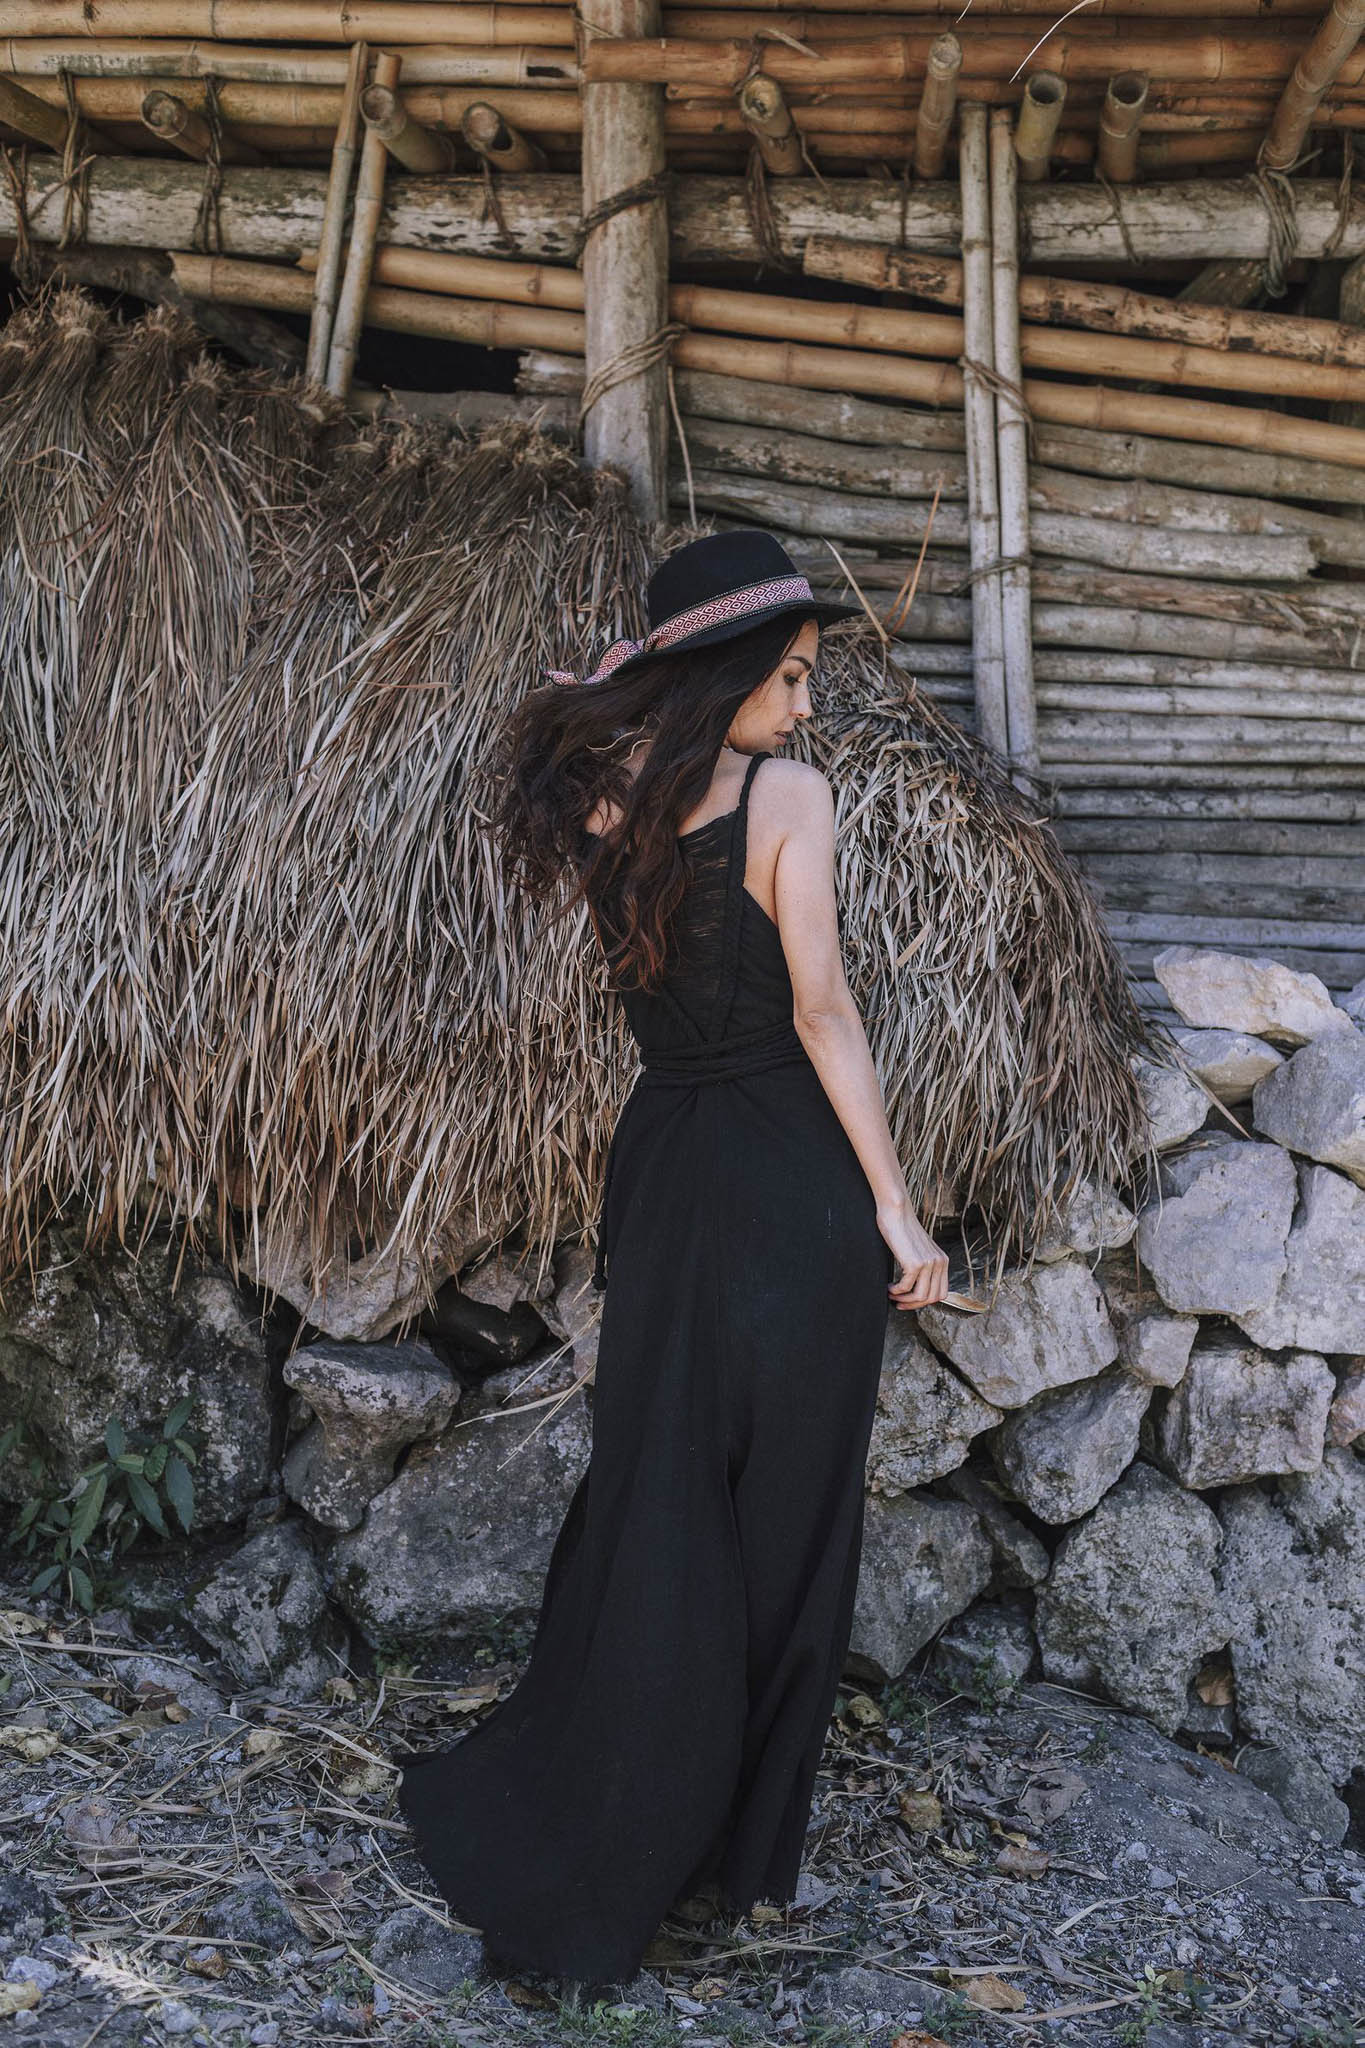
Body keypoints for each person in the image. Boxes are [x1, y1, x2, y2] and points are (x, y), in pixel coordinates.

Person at [395, 528, 951, 1986]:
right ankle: (720, 1846)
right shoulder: (785, 794)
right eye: (791, 675)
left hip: (663, 1163)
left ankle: (606, 1798)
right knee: (781, 1514)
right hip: (785, 1178)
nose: (808, 706)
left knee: (656, 1481)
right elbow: (822, 1012)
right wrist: (895, 1207)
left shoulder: (602, 798)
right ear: (726, 671)